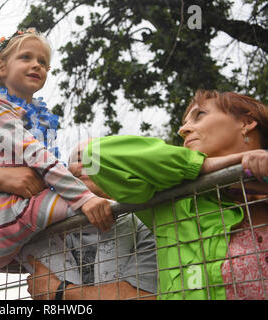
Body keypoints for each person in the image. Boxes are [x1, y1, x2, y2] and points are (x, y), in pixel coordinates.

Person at [77, 90, 268, 300]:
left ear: (246, 123)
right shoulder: (174, 199)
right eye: (185, 122)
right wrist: (205, 165)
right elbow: (94, 155)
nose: (183, 129)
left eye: (200, 114)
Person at [0, 27, 114, 282]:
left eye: (43, 62)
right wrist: (84, 197)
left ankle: (105, 288)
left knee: (69, 281)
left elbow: (46, 160)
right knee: (107, 215)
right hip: (16, 206)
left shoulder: (38, 115)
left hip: (40, 205)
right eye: (26, 57)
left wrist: (69, 170)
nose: (36, 65)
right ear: (1, 68)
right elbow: (35, 155)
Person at [26, 143, 158, 300]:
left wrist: (59, 292)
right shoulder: (53, 233)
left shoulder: (145, 222)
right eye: (78, 159)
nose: (85, 164)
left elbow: (146, 297)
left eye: (95, 159)